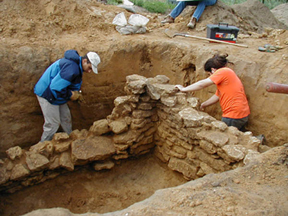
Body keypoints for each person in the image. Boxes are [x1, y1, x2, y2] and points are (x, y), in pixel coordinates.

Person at [34, 50, 101, 142]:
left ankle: (70, 139)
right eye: (89, 68)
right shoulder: (72, 68)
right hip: (47, 93)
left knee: (66, 117)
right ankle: (42, 148)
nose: (89, 71)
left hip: (57, 94)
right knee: (52, 124)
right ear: (85, 61)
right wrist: (70, 94)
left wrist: (77, 93)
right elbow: (55, 87)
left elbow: (68, 83)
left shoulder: (77, 66)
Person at [175, 53, 250, 131]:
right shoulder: (227, 76)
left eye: (209, 73)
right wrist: (204, 105)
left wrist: (184, 89)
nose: (210, 76)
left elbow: (202, 84)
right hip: (241, 113)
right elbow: (217, 96)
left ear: (213, 69)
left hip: (233, 115)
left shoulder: (223, 72)